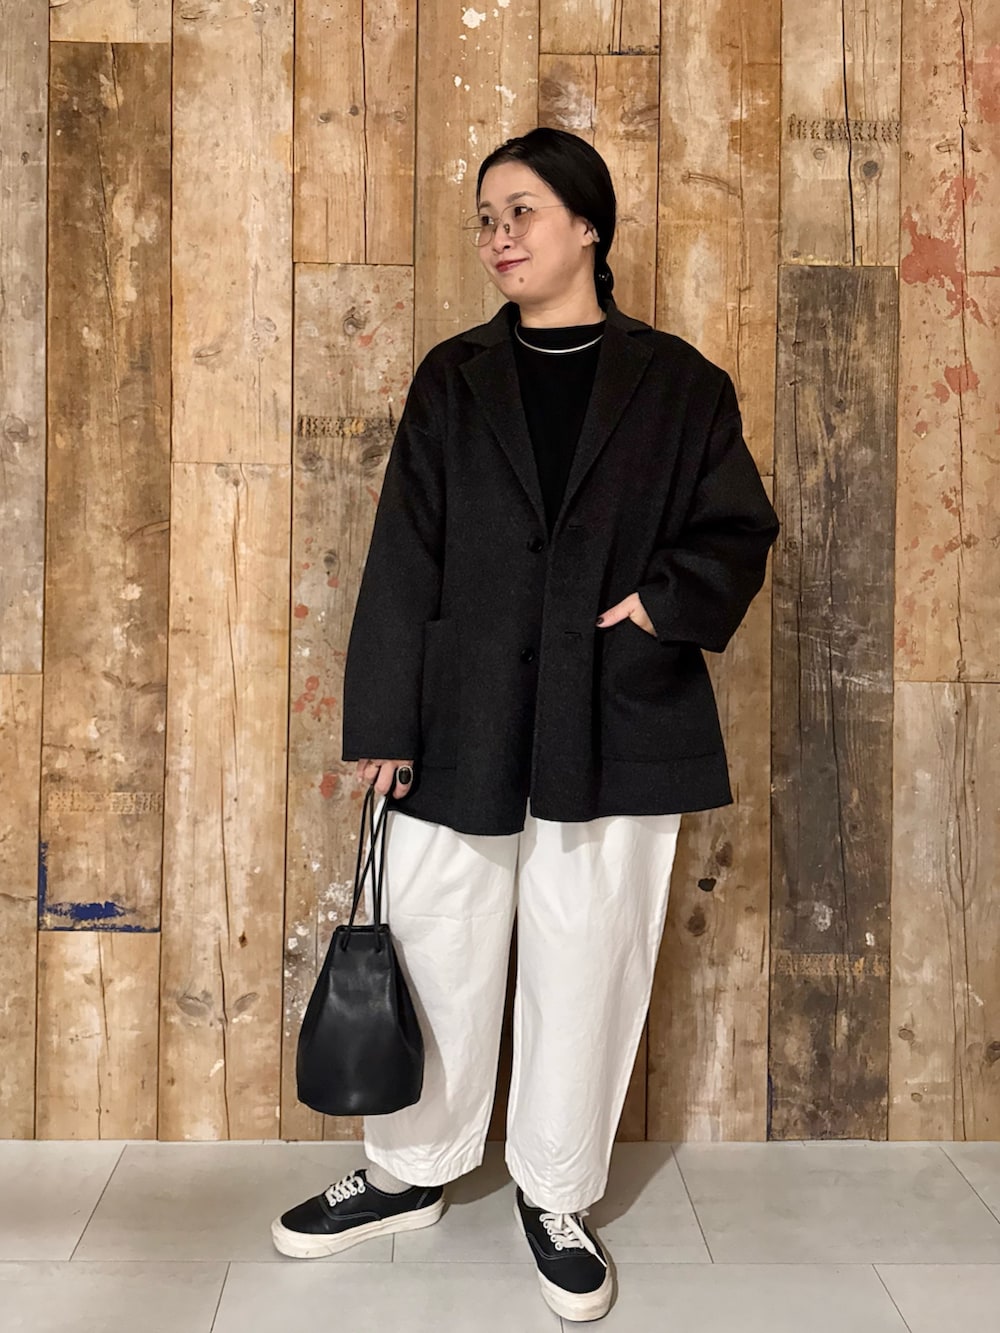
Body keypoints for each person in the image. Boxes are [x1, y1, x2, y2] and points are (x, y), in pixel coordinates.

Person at [272, 127, 780, 1322]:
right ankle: (407, 1171)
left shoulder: (680, 384)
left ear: (587, 224)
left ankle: (554, 1193)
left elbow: (736, 529)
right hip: (462, 713)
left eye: (522, 212)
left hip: (617, 713)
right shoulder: (454, 377)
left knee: (587, 954)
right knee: (436, 940)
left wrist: (658, 605)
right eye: (486, 219)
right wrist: (386, 715)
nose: (499, 237)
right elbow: (404, 551)